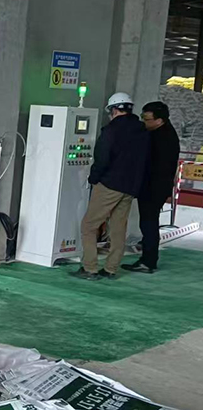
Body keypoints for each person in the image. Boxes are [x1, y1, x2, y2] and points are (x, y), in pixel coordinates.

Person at [74, 92, 149, 281]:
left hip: (109, 184)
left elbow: (102, 158)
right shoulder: (143, 130)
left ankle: (90, 268)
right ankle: (110, 269)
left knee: (88, 225)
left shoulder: (111, 130)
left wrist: (93, 178)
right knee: (118, 228)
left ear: (114, 110)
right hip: (130, 187)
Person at [122, 101, 180, 274]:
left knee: (148, 224)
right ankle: (148, 259)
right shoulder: (164, 133)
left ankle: (148, 261)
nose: (144, 122)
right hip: (157, 187)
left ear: (159, 120)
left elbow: (150, 165)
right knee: (149, 223)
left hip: (153, 188)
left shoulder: (161, 138)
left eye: (147, 119)